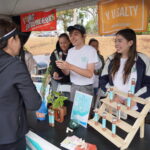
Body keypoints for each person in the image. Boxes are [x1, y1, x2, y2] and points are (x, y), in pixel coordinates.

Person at [0, 19, 41, 150]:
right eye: (19, 39)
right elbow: (34, 103)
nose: (20, 44)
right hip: (10, 135)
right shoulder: (15, 65)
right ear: (12, 40)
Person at [99, 28, 150, 112]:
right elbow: (103, 80)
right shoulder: (110, 60)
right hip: (114, 106)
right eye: (115, 41)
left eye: (119, 41)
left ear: (130, 43)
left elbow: (148, 84)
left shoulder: (143, 60)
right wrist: (113, 95)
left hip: (134, 109)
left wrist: (135, 99)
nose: (116, 44)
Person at [56, 24, 98, 101]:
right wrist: (62, 67)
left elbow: (89, 74)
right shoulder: (71, 51)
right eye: (71, 35)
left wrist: (70, 66)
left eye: (76, 34)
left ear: (84, 36)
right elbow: (67, 73)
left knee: (85, 113)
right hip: (73, 86)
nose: (72, 37)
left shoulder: (91, 50)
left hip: (86, 88)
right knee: (73, 112)